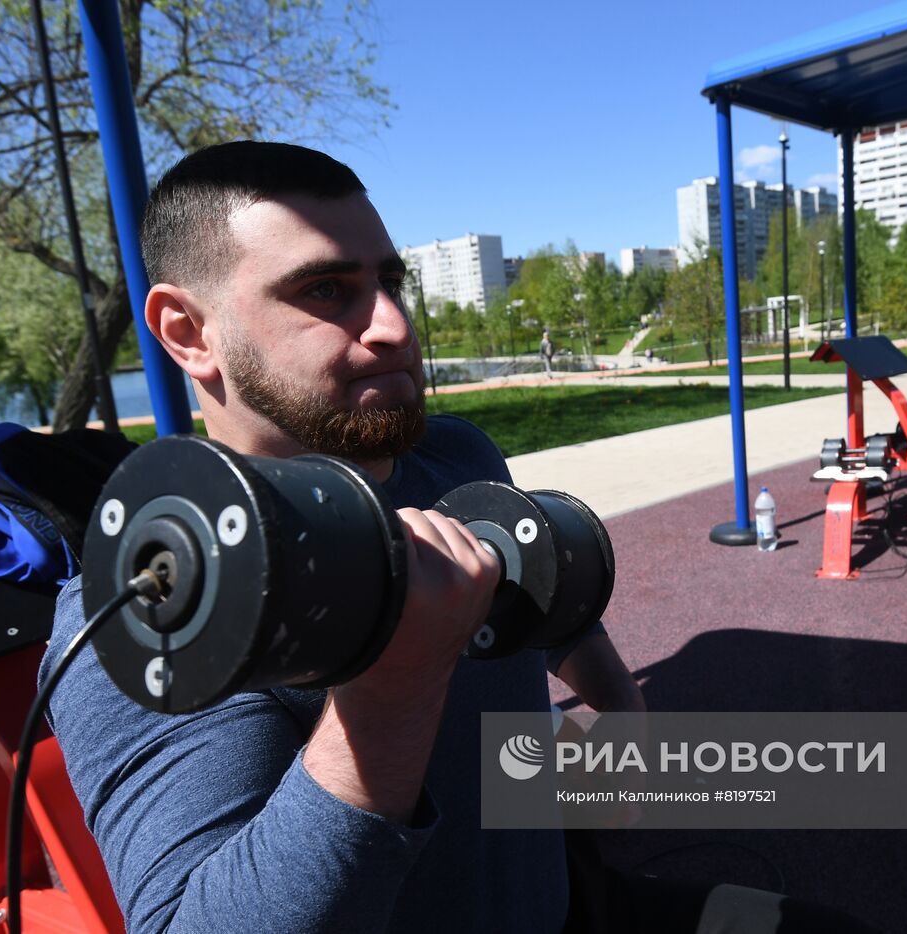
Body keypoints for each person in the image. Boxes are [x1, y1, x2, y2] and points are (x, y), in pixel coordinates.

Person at [39, 141, 647, 933]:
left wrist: (616, 718)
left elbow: (555, 617)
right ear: (188, 332)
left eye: (389, 283)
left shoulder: (459, 457)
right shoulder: (149, 613)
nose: (394, 326)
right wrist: (393, 688)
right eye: (326, 290)